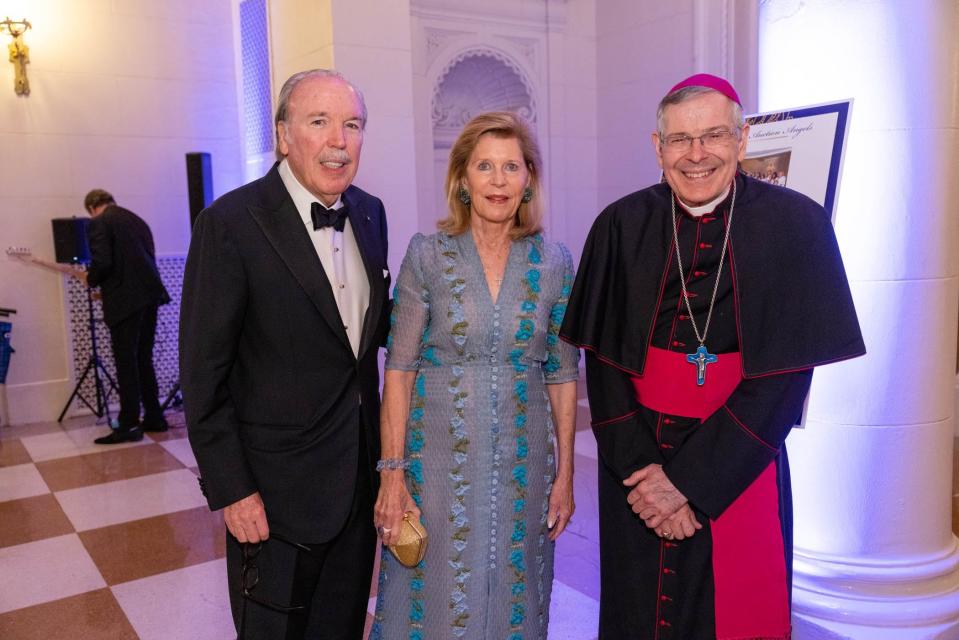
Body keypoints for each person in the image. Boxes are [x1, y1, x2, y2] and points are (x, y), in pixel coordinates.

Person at [560, 74, 865, 639]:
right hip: (638, 464)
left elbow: (785, 379)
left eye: (714, 136)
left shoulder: (795, 224)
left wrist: (689, 484)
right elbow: (603, 364)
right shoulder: (621, 226)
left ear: (742, 139)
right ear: (658, 148)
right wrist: (642, 474)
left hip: (740, 456)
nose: (696, 155)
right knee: (639, 610)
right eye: (679, 140)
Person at [180, 69, 391, 639]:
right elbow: (203, 376)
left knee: (341, 628)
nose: (338, 141)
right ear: (282, 135)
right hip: (272, 498)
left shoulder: (370, 213)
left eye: (352, 125)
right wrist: (233, 489)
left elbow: (363, 341)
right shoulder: (230, 224)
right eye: (318, 122)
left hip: (355, 486)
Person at [370, 111, 579, 639]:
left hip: (523, 467)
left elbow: (561, 373)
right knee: (430, 598)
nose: (499, 180)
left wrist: (566, 476)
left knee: (517, 593)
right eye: (485, 166)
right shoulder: (427, 255)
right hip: (433, 466)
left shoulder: (554, 262)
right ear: (462, 178)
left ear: (529, 178)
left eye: (512, 166)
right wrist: (392, 475)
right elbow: (398, 368)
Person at [81, 189, 170, 444]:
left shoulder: (99, 222)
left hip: (125, 303)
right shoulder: (136, 219)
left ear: (92, 207)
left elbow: (103, 262)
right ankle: (154, 417)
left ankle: (129, 424)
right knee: (144, 359)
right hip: (150, 295)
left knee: (126, 362)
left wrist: (91, 279)